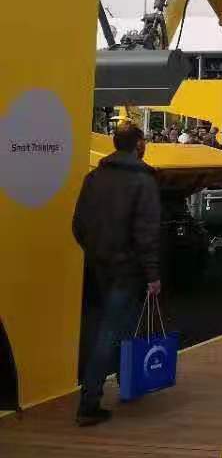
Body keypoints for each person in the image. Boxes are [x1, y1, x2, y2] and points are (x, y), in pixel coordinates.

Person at [71, 122, 161, 427]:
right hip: (128, 269)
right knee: (111, 331)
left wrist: (97, 252)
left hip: (101, 265)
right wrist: (152, 274)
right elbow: (146, 233)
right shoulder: (143, 181)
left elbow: (79, 225)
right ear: (138, 145)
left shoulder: (94, 178)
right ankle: (89, 401)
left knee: (120, 326)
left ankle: (128, 383)